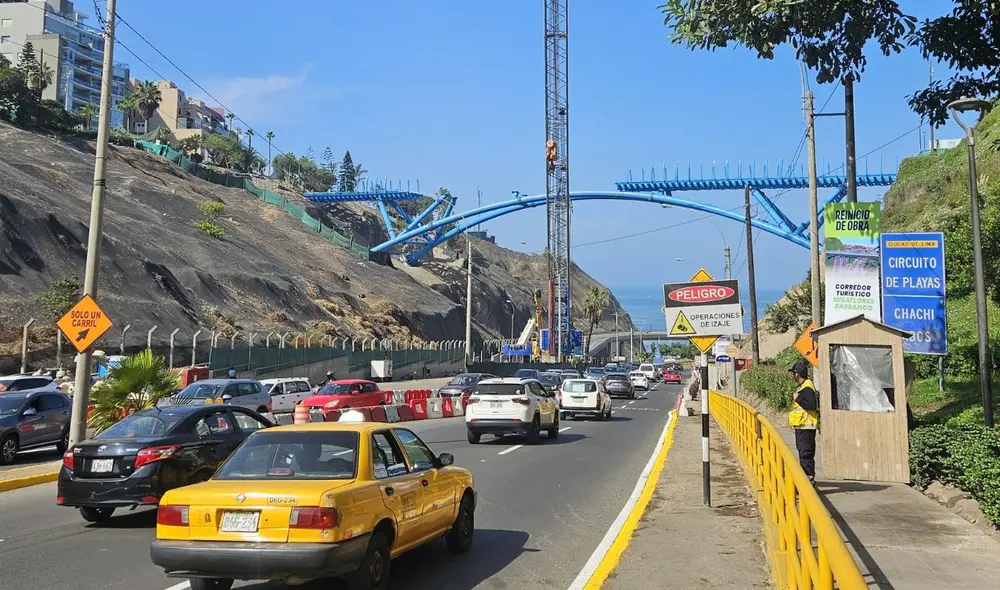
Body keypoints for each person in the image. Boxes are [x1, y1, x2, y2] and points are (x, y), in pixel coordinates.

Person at [788, 360, 819, 484]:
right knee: (804, 452)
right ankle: (806, 479)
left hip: (806, 427)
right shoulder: (804, 386)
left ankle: (808, 479)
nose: (793, 376)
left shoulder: (807, 388)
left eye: (793, 373)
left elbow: (811, 405)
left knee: (805, 453)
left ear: (797, 374)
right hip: (803, 427)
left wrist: (798, 398)